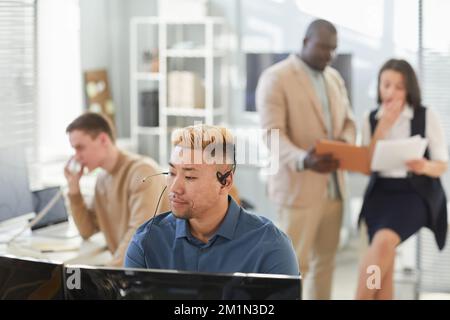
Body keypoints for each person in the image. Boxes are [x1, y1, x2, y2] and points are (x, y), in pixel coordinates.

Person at [256, 19, 356, 299]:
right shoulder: (276, 78)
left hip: (334, 189)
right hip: (297, 189)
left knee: (325, 264)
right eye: (323, 47)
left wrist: (345, 145)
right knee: (293, 267)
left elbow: (349, 121)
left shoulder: (334, 78)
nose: (329, 55)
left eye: (333, 49)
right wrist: (303, 159)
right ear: (305, 42)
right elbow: (272, 135)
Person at [125, 124, 299, 276]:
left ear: (225, 182)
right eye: (171, 173)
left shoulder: (272, 247)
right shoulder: (146, 242)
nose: (174, 188)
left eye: (190, 177)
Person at [356, 59, 448, 299]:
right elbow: (366, 166)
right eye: (386, 85)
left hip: (413, 194)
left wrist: (424, 165)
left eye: (399, 86)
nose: (391, 92)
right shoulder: (371, 118)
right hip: (380, 194)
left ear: (409, 89)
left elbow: (442, 165)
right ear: (378, 86)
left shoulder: (426, 116)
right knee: (383, 265)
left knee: (383, 243)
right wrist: (382, 127)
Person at [64, 112, 169, 266]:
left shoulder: (143, 171)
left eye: (80, 148)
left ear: (103, 139)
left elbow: (138, 236)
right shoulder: (102, 179)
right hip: (128, 271)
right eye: (74, 149)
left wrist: (108, 277)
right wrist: (74, 189)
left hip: (152, 272)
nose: (76, 156)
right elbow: (87, 230)